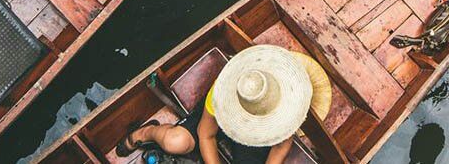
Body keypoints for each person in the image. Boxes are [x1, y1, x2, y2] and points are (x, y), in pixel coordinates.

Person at [118, 45, 332, 164]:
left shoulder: (287, 106)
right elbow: (206, 134)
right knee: (176, 142)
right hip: (222, 121)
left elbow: (281, 144)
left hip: (255, 139)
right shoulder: (229, 90)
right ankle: (144, 133)